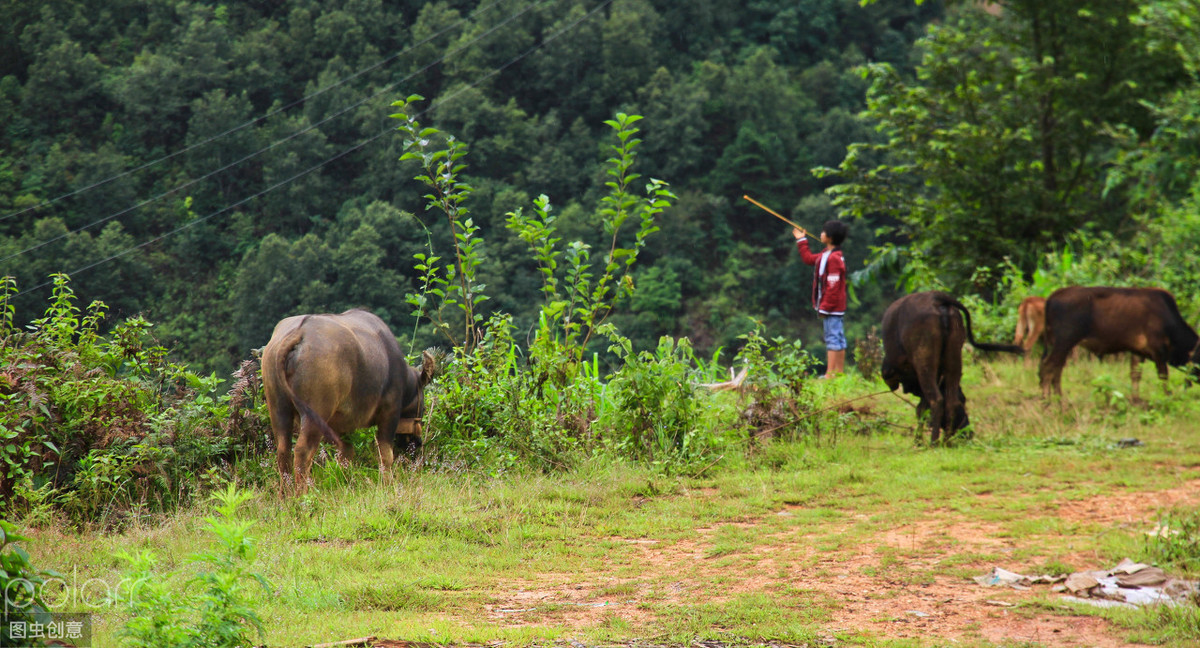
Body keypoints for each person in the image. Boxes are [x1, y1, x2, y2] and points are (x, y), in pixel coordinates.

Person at [793, 220, 849, 378]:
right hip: (834, 306)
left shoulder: (833, 259)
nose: (821, 234)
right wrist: (801, 239)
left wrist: (824, 307)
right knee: (838, 338)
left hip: (832, 307)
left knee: (832, 338)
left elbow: (833, 286)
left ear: (829, 237)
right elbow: (809, 259)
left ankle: (831, 374)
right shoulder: (827, 255)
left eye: (823, 232)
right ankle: (838, 373)